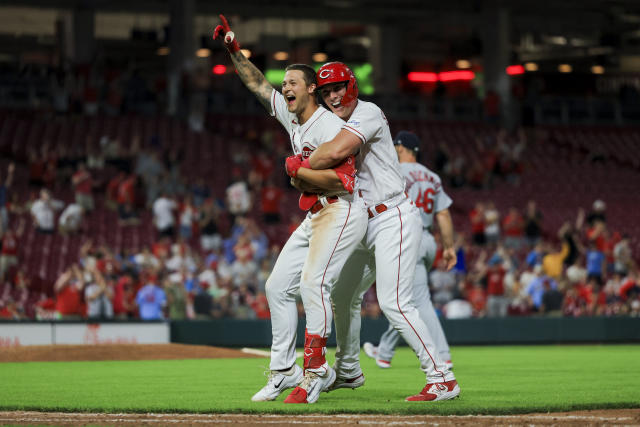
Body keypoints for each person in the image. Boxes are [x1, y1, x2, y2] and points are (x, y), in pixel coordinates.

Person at [214, 15, 368, 404]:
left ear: (312, 88)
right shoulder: (292, 115)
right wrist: (234, 49)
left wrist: (302, 174)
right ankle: (284, 371)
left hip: (344, 210)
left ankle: (315, 371)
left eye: (292, 84)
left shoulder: (328, 125)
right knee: (276, 286)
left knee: (313, 285)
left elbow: (345, 181)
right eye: (284, 85)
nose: (284, 90)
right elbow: (255, 82)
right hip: (317, 213)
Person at [308, 63, 459, 401]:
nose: (333, 95)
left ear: (353, 85)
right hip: (361, 221)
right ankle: (348, 369)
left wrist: (300, 165)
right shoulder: (332, 122)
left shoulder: (368, 111)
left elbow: (333, 152)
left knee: (395, 303)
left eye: (339, 87)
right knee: (342, 296)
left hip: (392, 216)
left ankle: (442, 378)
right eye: (326, 91)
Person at [361, 131, 455, 371]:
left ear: (400, 148)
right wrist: (449, 246)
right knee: (409, 298)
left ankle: (441, 356)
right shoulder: (432, 177)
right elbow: (443, 214)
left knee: (412, 300)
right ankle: (385, 351)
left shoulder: (393, 170)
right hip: (427, 237)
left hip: (403, 234)